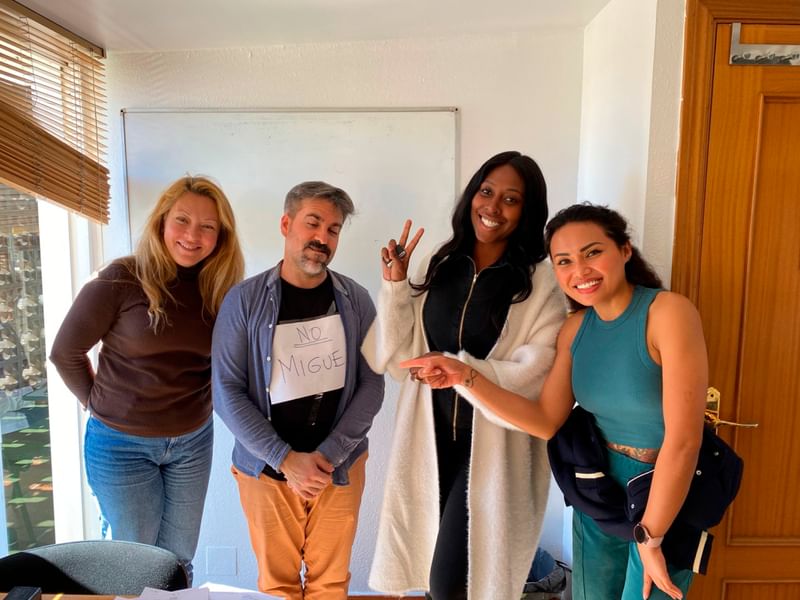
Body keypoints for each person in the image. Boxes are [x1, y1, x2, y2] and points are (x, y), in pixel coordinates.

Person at [402, 203, 708, 600]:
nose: (579, 271)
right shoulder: (575, 328)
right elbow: (546, 419)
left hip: (665, 486)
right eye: (564, 261)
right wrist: (465, 375)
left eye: (593, 252)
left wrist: (651, 540)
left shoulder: (667, 312)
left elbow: (684, 441)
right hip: (599, 489)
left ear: (625, 250)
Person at [362, 151, 566, 600]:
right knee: (434, 569)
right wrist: (396, 287)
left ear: (527, 211)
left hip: (493, 450)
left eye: (511, 199)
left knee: (453, 584)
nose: (492, 207)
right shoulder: (442, 261)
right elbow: (396, 358)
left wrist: (463, 371)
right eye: (486, 191)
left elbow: (536, 375)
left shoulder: (541, 284)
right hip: (428, 440)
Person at [49, 175, 244, 580]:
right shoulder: (121, 279)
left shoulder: (222, 290)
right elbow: (64, 352)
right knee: (132, 562)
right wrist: (100, 405)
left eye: (208, 226)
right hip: (120, 446)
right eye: (182, 220)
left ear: (221, 236)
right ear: (161, 222)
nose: (193, 235)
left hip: (192, 442)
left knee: (177, 559)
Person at [212, 181, 384, 600]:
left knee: (331, 585)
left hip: (338, 469)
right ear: (287, 224)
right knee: (277, 588)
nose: (323, 238)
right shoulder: (244, 301)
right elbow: (226, 391)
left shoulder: (356, 300)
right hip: (266, 473)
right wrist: (284, 459)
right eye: (313, 223)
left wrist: (327, 456)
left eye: (334, 229)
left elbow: (373, 382)